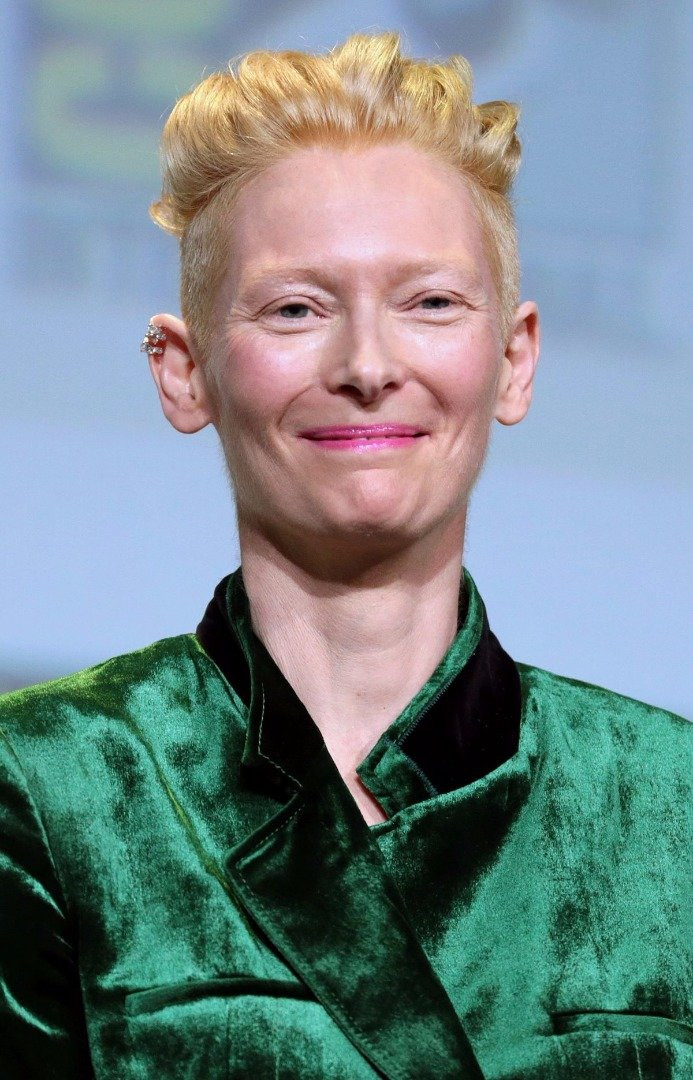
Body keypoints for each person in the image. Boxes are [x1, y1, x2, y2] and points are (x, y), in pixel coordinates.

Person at [0, 30, 689, 1080]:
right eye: (295, 309)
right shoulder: (47, 788)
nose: (367, 365)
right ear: (183, 370)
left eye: (431, 303)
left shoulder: (669, 804)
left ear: (513, 359)